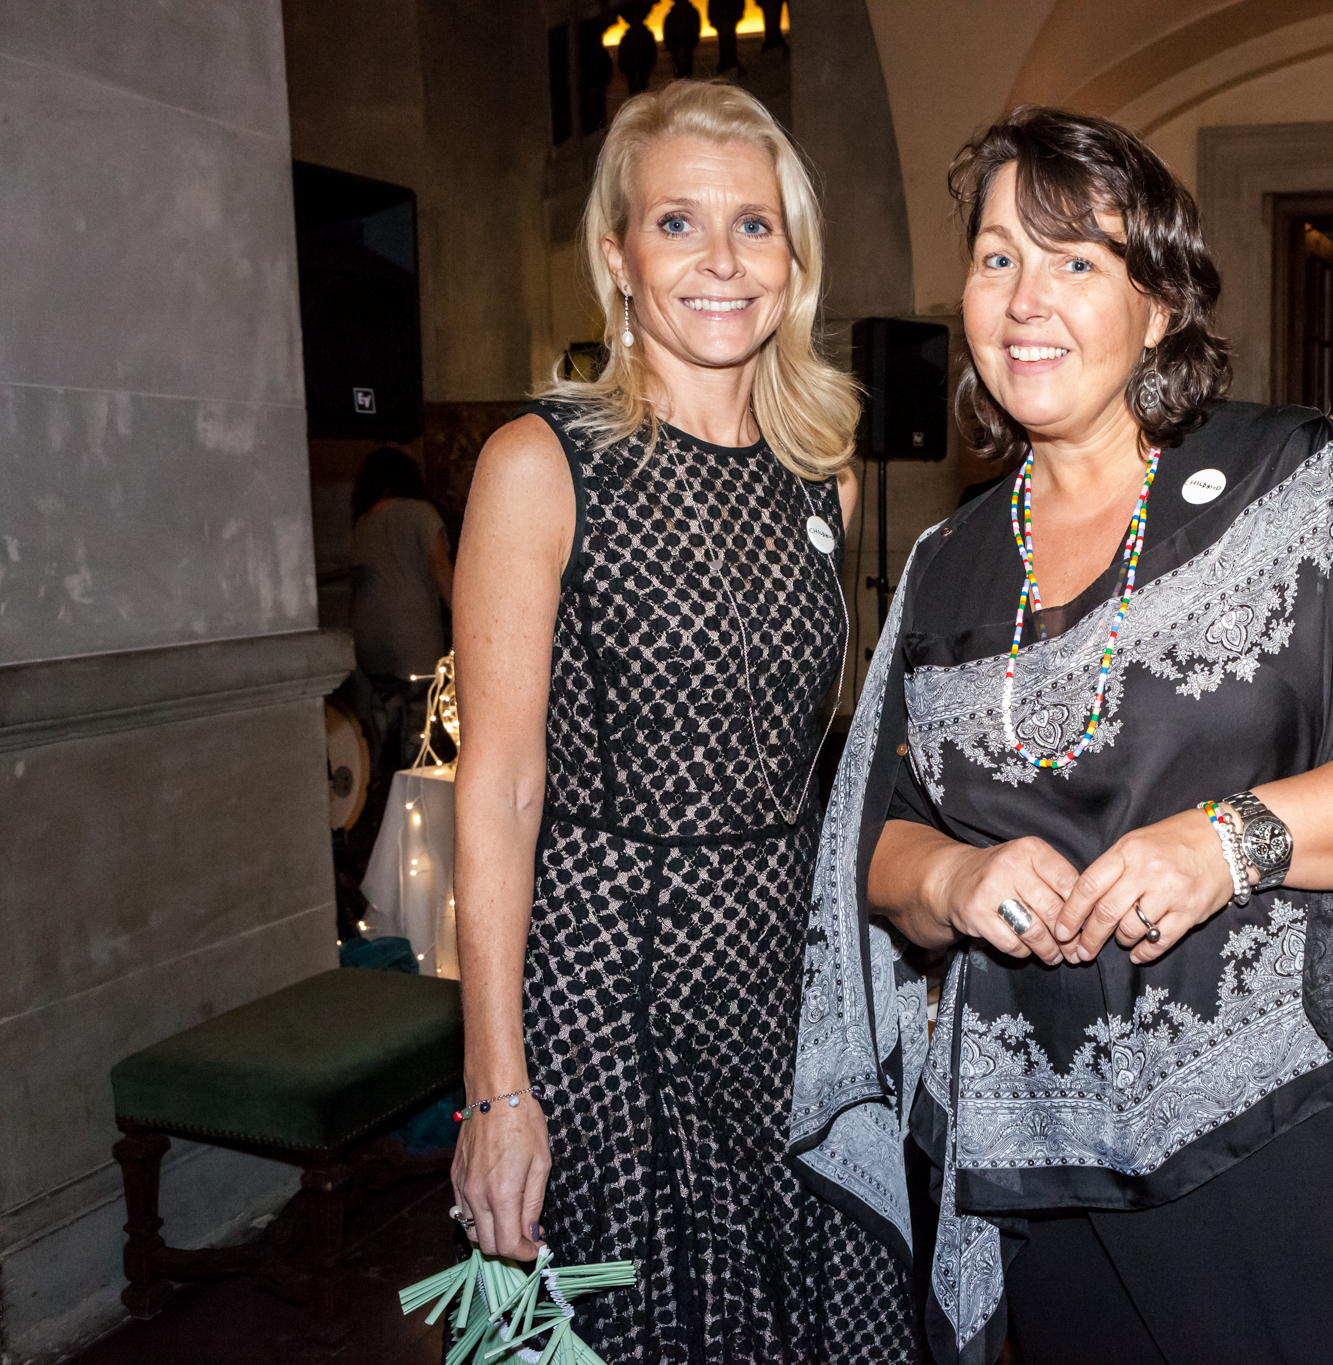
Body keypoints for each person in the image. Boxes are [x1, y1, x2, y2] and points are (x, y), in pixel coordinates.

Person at [790, 108, 1333, 1365]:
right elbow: (869, 836)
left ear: (1156, 304)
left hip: (1294, 1139)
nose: (1024, 298)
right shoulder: (947, 563)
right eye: (997, 258)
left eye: (1074, 260)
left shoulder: (1296, 483)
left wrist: (1227, 842)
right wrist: (951, 879)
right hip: (1041, 1170)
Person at [448, 80, 916, 1362]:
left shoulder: (822, 475)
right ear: (617, 257)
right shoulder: (537, 464)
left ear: (793, 259)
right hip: (608, 989)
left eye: (753, 225)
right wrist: (494, 1090)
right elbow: (499, 789)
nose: (721, 259)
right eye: (676, 223)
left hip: (782, 983)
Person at [348, 446, 452, 771]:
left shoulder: (364, 521)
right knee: (420, 731)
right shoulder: (421, 513)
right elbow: (441, 569)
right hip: (413, 635)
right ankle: (415, 790)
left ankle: (382, 784)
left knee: (386, 724)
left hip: (369, 638)